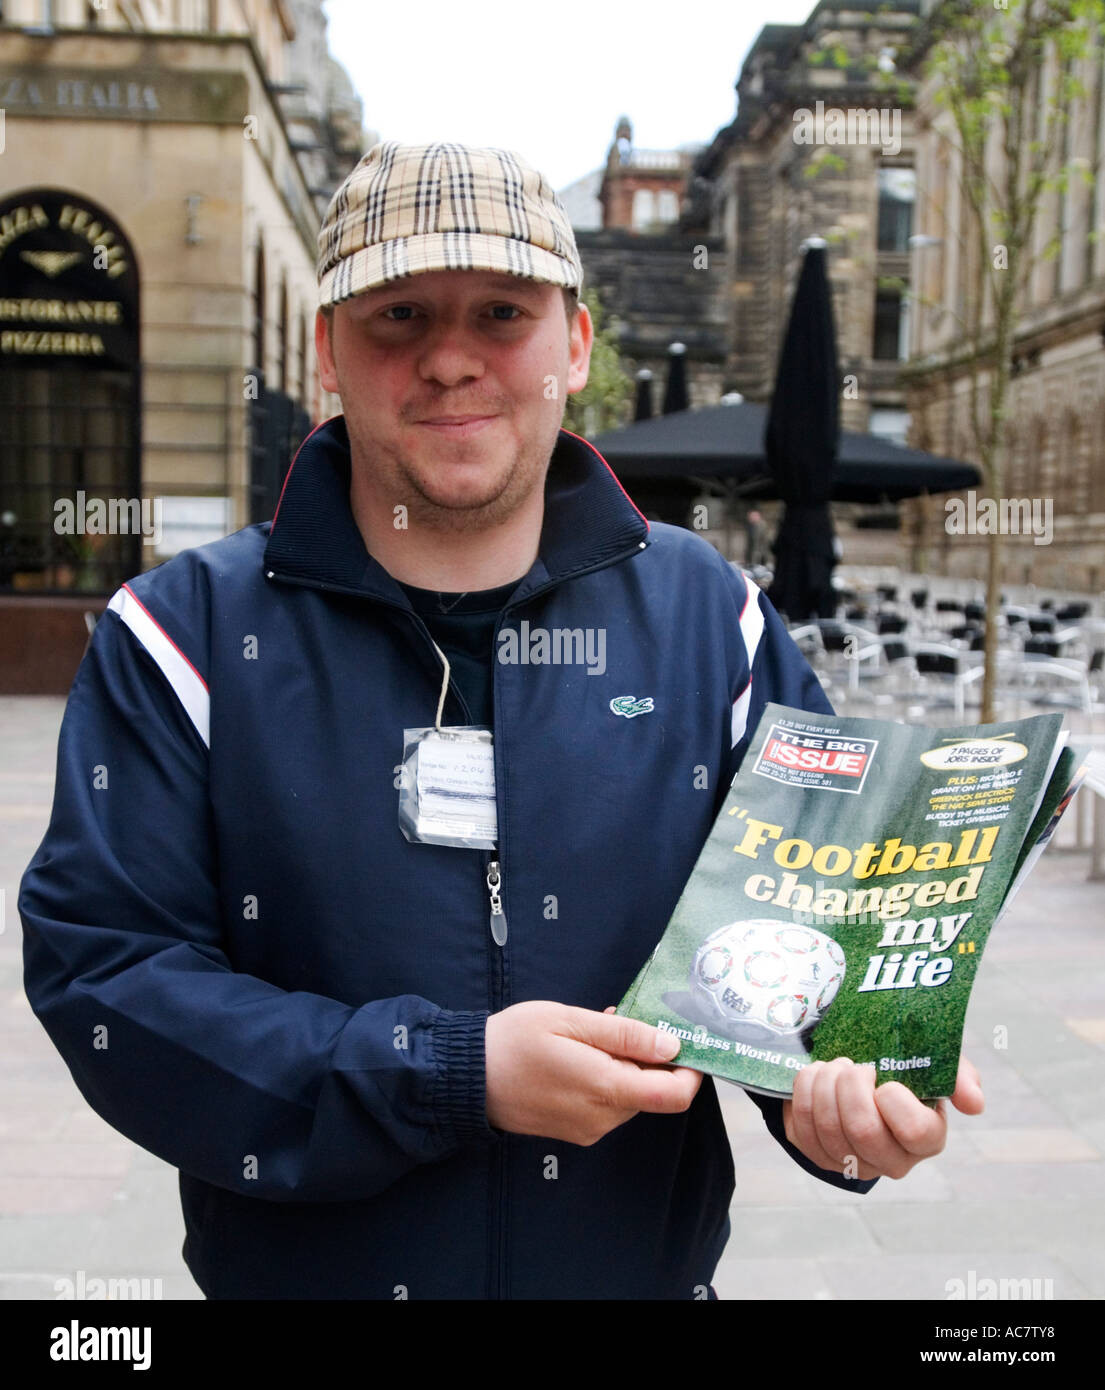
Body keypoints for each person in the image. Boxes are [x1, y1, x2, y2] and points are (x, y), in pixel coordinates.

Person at [20, 141, 982, 1301]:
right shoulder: (179, 636)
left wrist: (844, 1099)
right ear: (328, 350)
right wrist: (445, 1071)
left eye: (499, 311)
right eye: (399, 315)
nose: (449, 358)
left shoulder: (708, 620)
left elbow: (812, 928)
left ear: (572, 345)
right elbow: (108, 976)